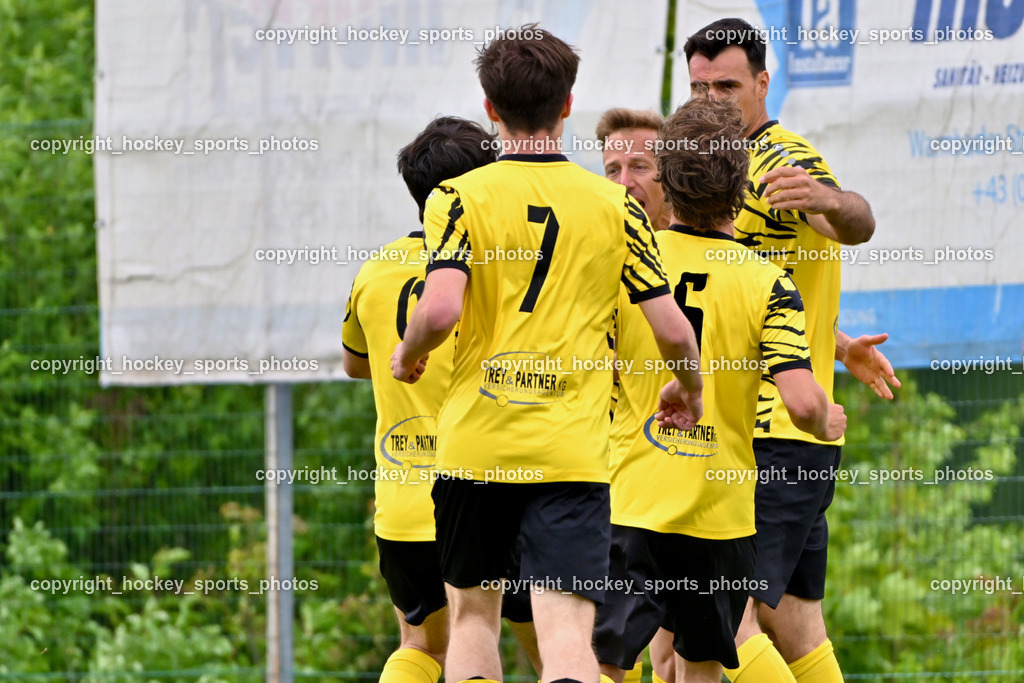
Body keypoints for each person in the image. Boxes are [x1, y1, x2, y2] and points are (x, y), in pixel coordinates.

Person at [390, 24, 703, 683]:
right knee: (566, 636)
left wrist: (408, 351)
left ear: (490, 109)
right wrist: (690, 388)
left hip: (477, 445)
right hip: (570, 454)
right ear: (567, 106)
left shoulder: (458, 198)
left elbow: (442, 307)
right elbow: (674, 331)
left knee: (474, 619)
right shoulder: (616, 205)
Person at [593, 97, 846, 683]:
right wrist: (826, 420)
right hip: (721, 518)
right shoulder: (769, 282)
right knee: (703, 663)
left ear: (667, 184)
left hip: (636, 501)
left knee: (600, 662)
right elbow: (804, 403)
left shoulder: (628, 264)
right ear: (742, 192)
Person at [683, 17, 899, 682]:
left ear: (763, 83)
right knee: (796, 626)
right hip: (755, 431)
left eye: (728, 85)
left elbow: (853, 221)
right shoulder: (709, 172)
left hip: (777, 434)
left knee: (720, 615)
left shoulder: (783, 160)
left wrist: (827, 199)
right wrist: (832, 342)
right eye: (700, 87)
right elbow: (752, 301)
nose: (713, 100)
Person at [342, 116, 538, 683]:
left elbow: (357, 363)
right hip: (493, 489)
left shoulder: (375, 270)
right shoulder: (498, 268)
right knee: (555, 645)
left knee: (422, 645)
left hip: (403, 500)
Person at [595, 107, 677, 683]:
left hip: (684, 480)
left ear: (673, 174)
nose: (624, 183)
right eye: (612, 168)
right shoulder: (601, 264)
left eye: (640, 166)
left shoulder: (714, 255)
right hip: (625, 478)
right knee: (666, 656)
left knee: (615, 653)